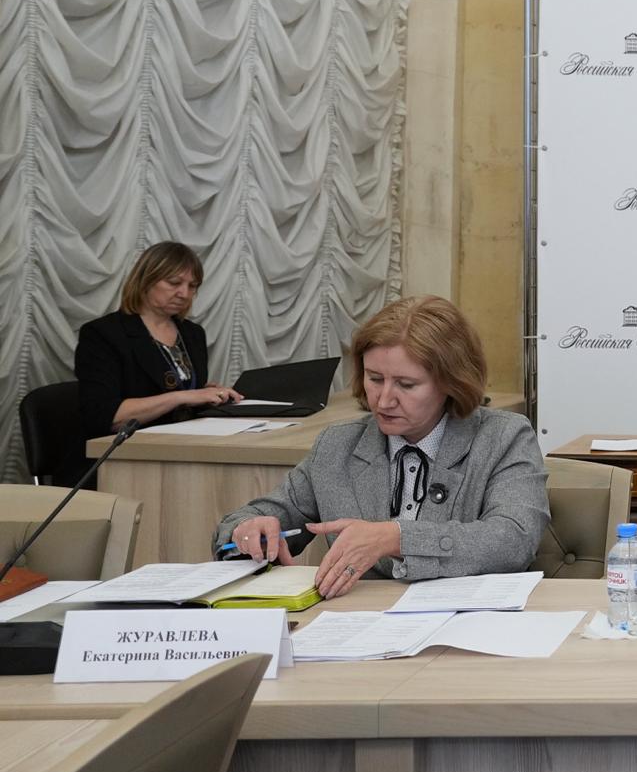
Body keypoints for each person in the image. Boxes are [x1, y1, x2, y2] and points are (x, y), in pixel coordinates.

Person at [214, 296, 548, 599]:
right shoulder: (337, 445)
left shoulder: (503, 437)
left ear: (451, 382)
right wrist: (248, 531)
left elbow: (513, 540)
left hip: (469, 621)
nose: (384, 400)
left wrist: (396, 538)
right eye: (374, 379)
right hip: (359, 623)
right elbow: (247, 520)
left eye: (406, 384)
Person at [74, 241, 243, 435]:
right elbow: (104, 416)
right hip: (130, 446)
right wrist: (183, 396)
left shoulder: (193, 333)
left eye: (192, 286)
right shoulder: (103, 334)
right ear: (145, 281)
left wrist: (208, 395)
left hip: (186, 439)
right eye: (174, 283)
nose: (184, 294)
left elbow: (179, 390)